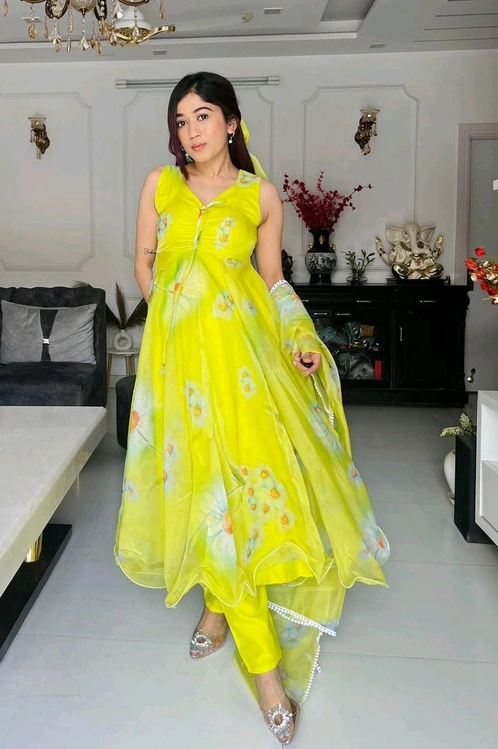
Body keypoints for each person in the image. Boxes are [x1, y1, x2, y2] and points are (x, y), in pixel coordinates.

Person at [114, 71, 389, 745]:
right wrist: (170, 324)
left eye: (203, 116)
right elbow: (145, 264)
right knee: (204, 491)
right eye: (181, 121)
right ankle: (237, 630)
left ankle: (250, 652)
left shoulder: (259, 196)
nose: (191, 131)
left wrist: (300, 339)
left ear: (231, 121)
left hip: (244, 370)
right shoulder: (159, 185)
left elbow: (272, 281)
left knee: (240, 492)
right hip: (178, 371)